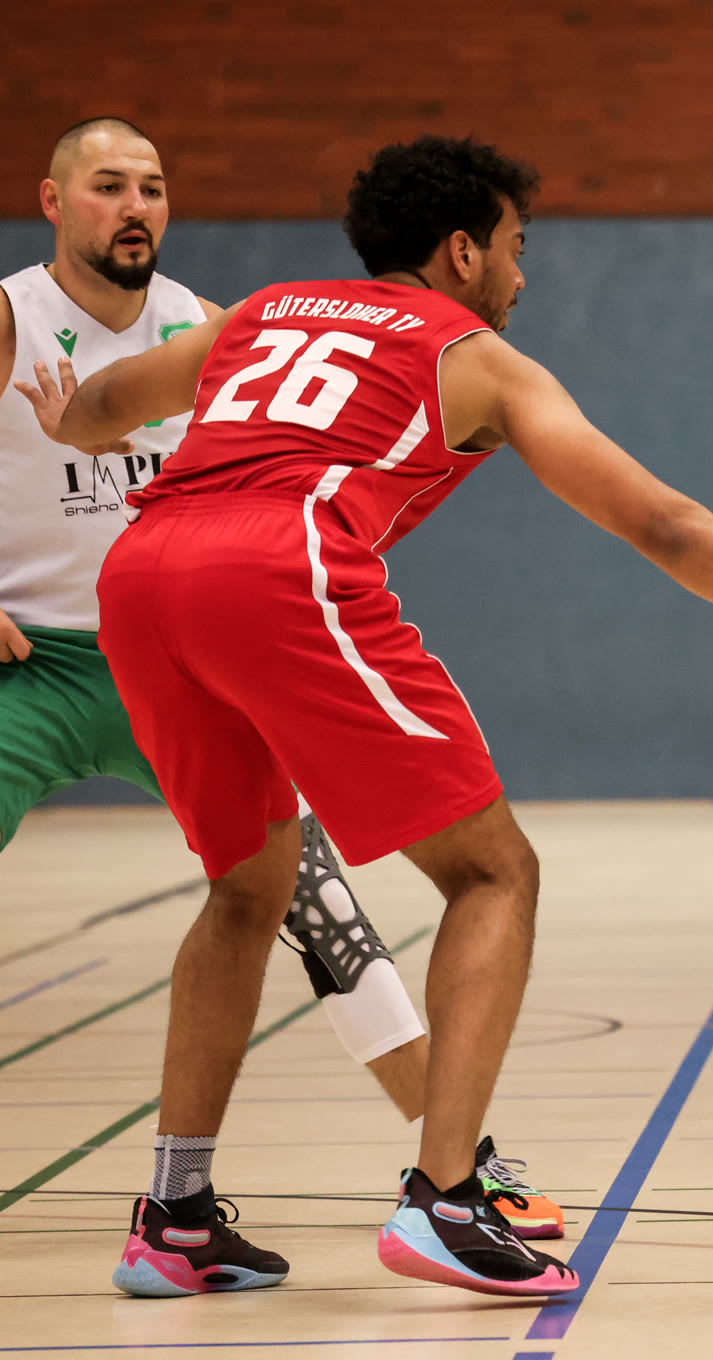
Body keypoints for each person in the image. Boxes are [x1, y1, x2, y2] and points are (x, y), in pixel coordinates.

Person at [19, 133, 713, 1298]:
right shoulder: (475, 358)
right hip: (279, 567)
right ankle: (446, 1198)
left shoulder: (262, 311)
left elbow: (102, 406)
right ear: (461, 252)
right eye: (515, 247)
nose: (521, 273)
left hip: (141, 578)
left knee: (247, 890)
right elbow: (663, 524)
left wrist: (67, 423)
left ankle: (174, 1218)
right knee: (492, 871)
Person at [0, 117, 565, 1246]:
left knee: (307, 905)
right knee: (469, 875)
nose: (135, 207)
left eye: (153, 186)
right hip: (37, 663)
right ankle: (439, 1194)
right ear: (55, 202)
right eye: (109, 185)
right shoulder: (14, 314)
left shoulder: (215, 322)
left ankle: (456, 1160)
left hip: (179, 650)